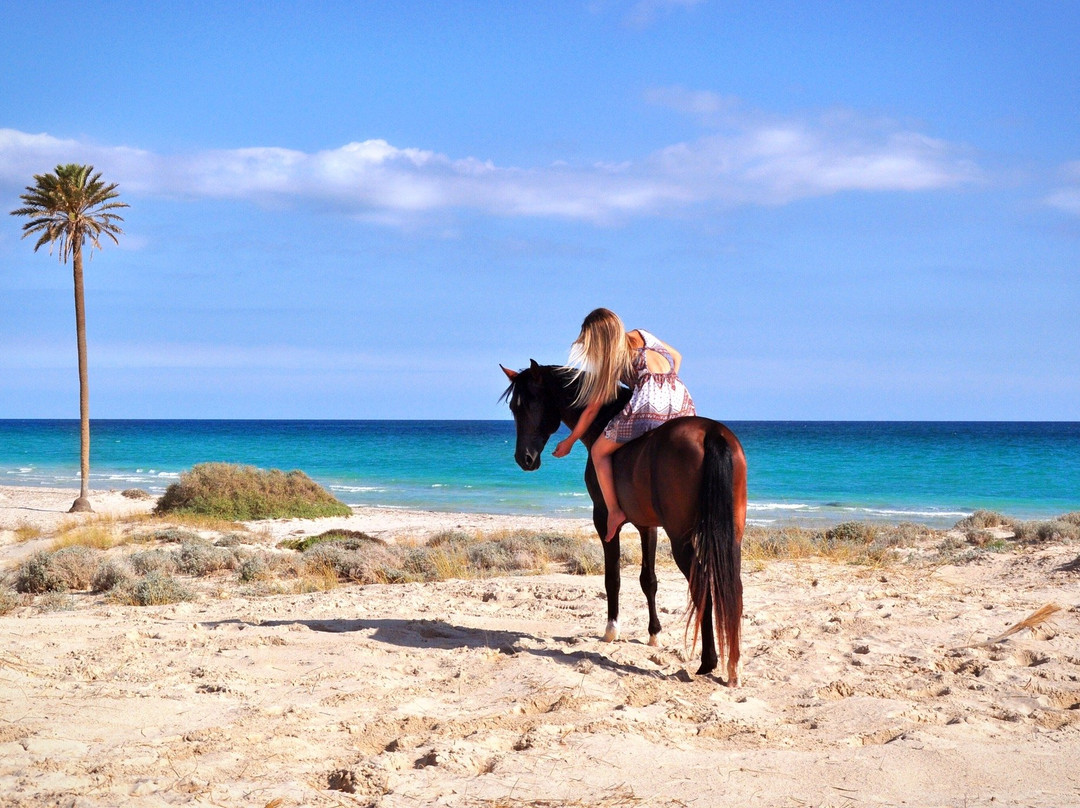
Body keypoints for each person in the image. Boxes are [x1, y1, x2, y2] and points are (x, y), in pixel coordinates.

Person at [552, 308, 696, 541]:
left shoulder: (612, 358)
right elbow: (677, 357)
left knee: (599, 452)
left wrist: (569, 441)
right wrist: (666, 383)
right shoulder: (644, 334)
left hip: (649, 404)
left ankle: (615, 512)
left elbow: (591, 411)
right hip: (681, 398)